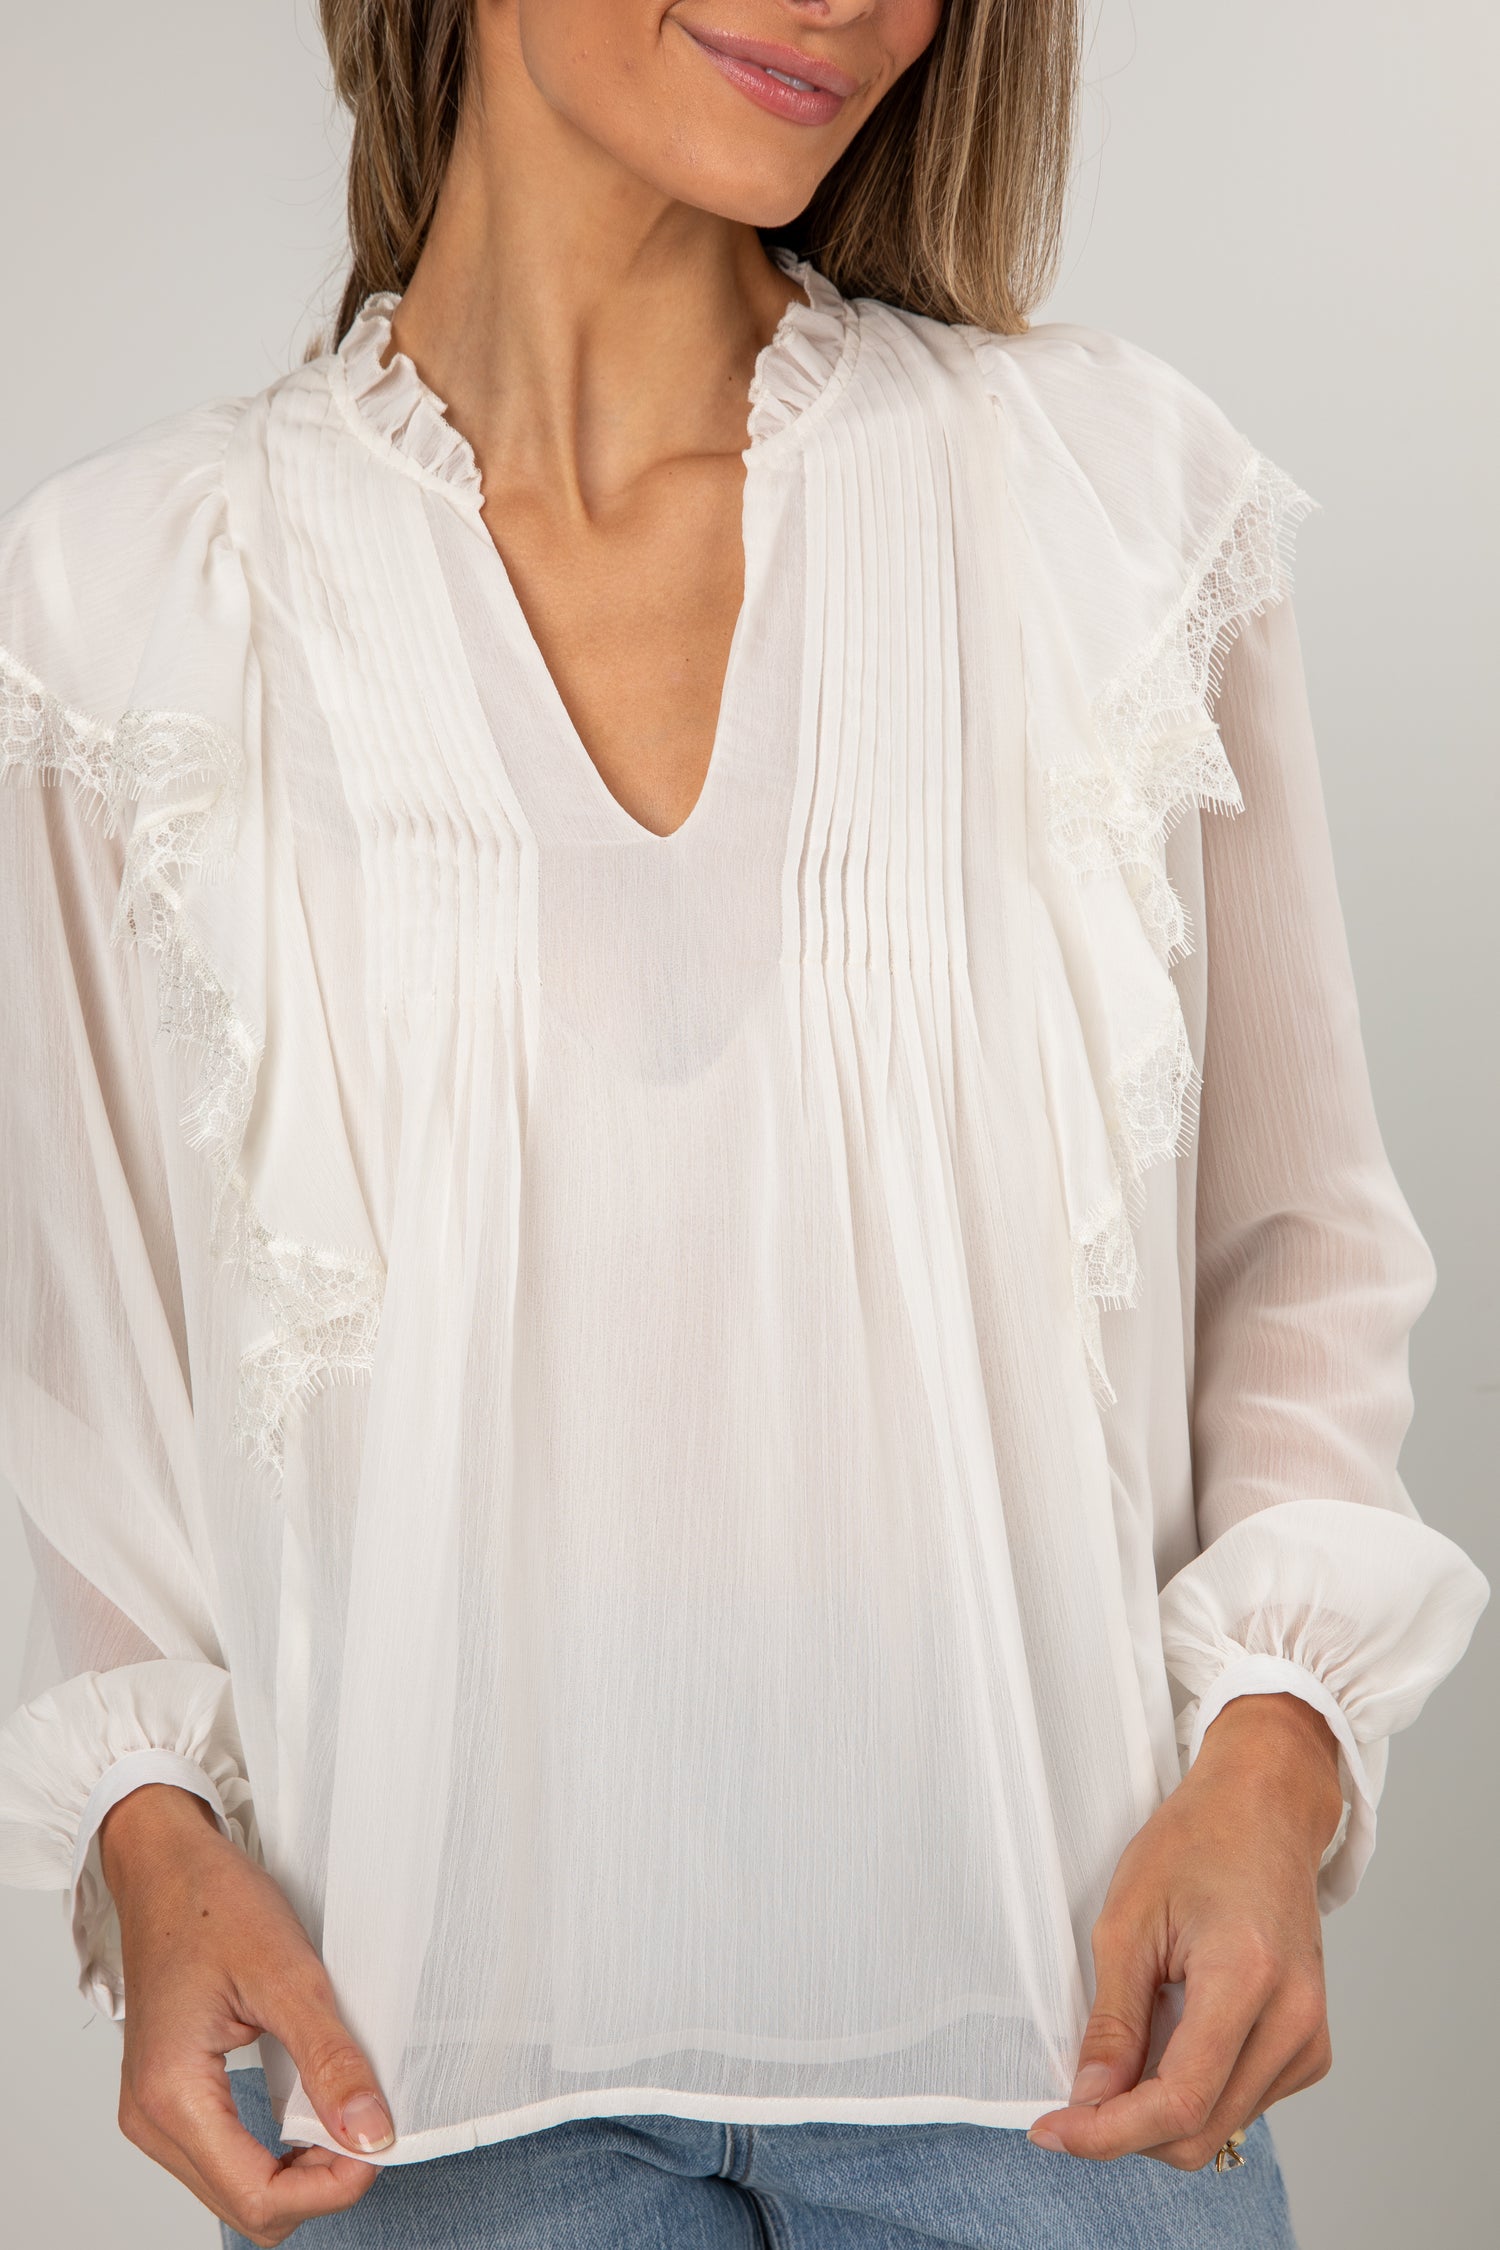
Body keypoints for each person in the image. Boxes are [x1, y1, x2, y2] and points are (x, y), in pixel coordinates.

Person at [0, 3, 1487, 2245]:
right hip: (421, 2101)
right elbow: (84, 1404)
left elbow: (1300, 1257)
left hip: (1065, 2070)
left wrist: (1281, 1749)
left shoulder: (1108, 508)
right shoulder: (129, 609)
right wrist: (147, 1838)